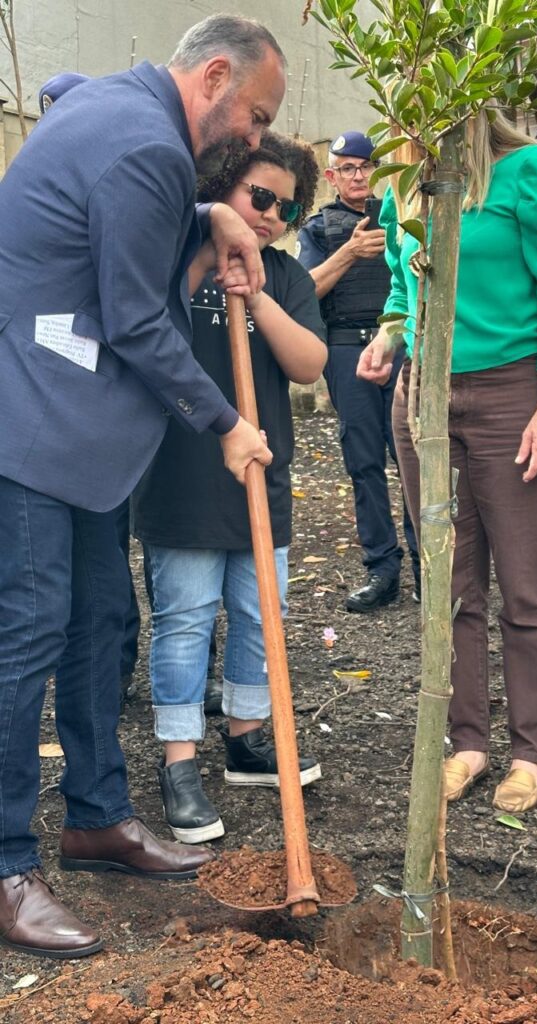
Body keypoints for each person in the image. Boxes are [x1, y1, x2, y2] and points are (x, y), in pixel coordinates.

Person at [0, 15, 287, 960]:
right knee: (31, 630)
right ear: (211, 77)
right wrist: (229, 424)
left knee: (101, 621)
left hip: (74, 430)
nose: (255, 138)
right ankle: (5, 866)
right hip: (33, 422)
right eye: (254, 115)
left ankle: (96, 820)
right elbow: (132, 315)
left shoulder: (129, 122)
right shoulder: (143, 144)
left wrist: (211, 216)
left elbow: (120, 235)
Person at [358, 107, 537, 814]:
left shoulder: (531, 172)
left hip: (512, 391)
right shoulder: (403, 185)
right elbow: (402, 281)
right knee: (448, 586)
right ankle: (469, 742)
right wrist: (391, 337)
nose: (410, 120)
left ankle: (533, 751)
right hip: (424, 393)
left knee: (527, 583)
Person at [133, 131, 326, 844]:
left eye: (289, 205)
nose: (273, 214)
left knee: (259, 611)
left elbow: (309, 366)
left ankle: (247, 735)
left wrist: (261, 299)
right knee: (185, 617)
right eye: (260, 196)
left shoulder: (287, 277)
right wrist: (213, 254)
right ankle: (179, 756)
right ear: (220, 188)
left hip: (259, 480)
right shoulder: (178, 260)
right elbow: (147, 325)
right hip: (184, 478)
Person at [297, 131, 420, 613]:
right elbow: (301, 293)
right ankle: (382, 571)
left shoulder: (404, 215)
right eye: (346, 168)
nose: (357, 176)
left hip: (404, 345)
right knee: (364, 461)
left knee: (414, 458)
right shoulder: (318, 229)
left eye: (366, 166)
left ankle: (425, 568)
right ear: (331, 176)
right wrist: (347, 252)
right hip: (348, 349)